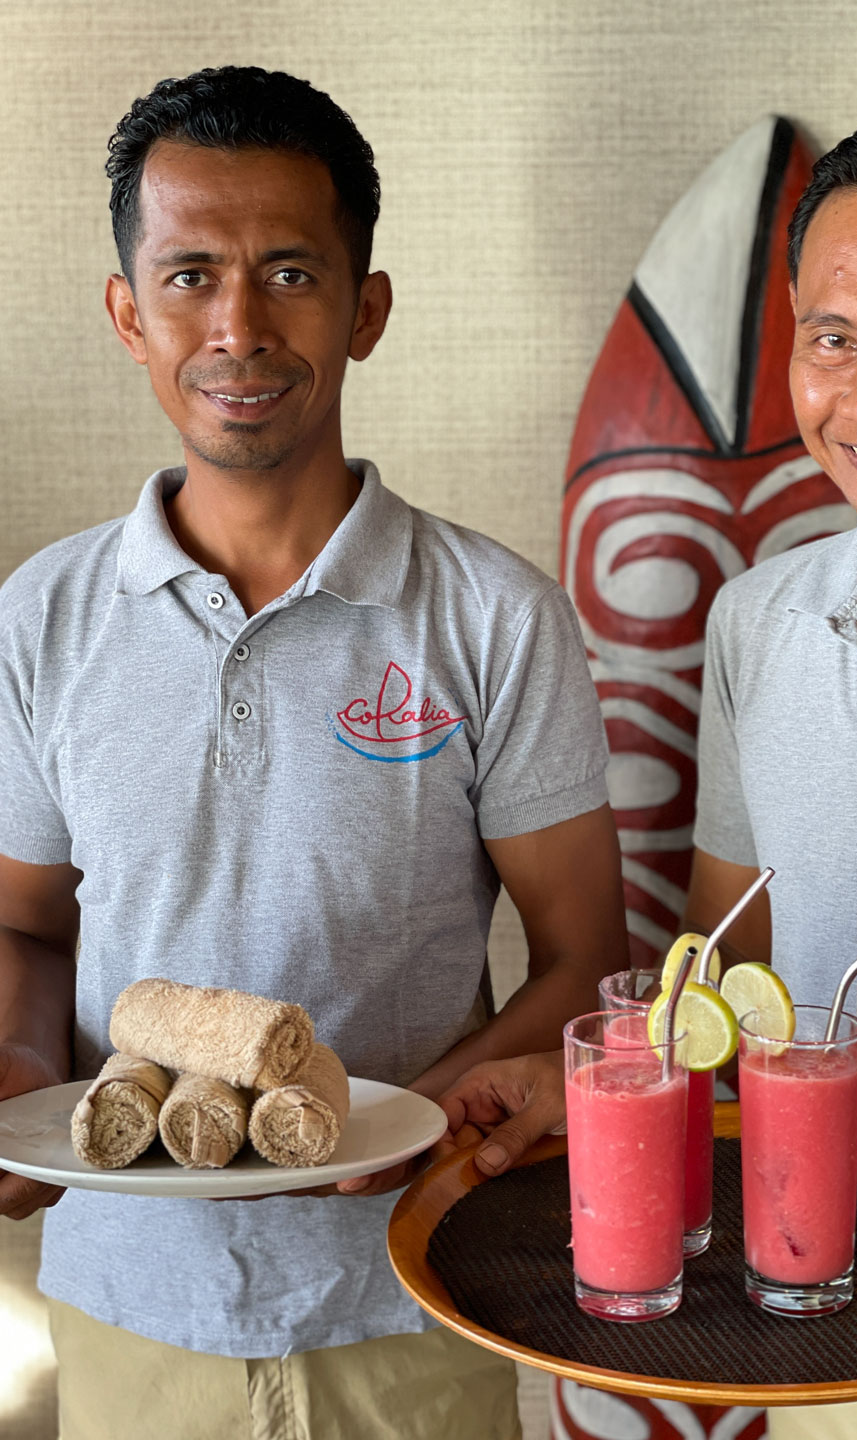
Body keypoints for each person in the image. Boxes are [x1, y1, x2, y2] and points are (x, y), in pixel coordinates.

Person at [0, 65, 627, 1440]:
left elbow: (587, 956)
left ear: (367, 309)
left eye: (290, 271)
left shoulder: (490, 614)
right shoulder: (40, 619)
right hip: (126, 1304)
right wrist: (16, 1075)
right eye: (188, 276)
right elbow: (29, 930)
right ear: (127, 312)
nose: (237, 325)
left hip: (413, 1296)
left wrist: (409, 1119)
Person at [439, 104, 857, 1437]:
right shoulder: (762, 624)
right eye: (832, 339)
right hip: (825, 1347)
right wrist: (619, 1074)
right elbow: (738, 952)